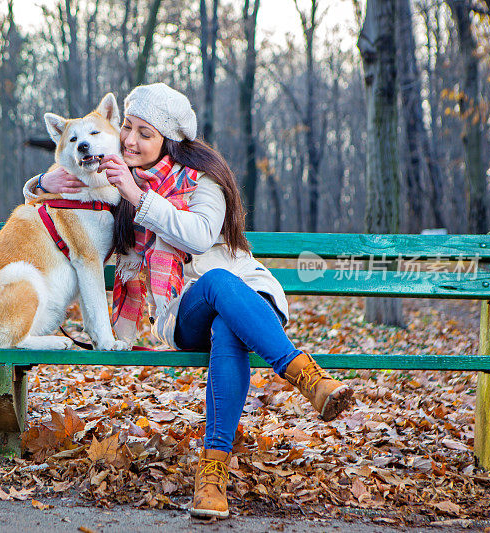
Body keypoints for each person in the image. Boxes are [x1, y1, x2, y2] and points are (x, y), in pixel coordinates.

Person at [23, 83, 353, 520]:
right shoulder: (115, 183)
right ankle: (303, 374)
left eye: (145, 132)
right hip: (184, 314)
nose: (131, 140)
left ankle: (211, 477)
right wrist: (41, 181)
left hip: (251, 299)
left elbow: (198, 236)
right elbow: (63, 199)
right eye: (127, 128)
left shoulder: (203, 182)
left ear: (168, 141)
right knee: (215, 302)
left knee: (224, 317)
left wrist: (138, 197)